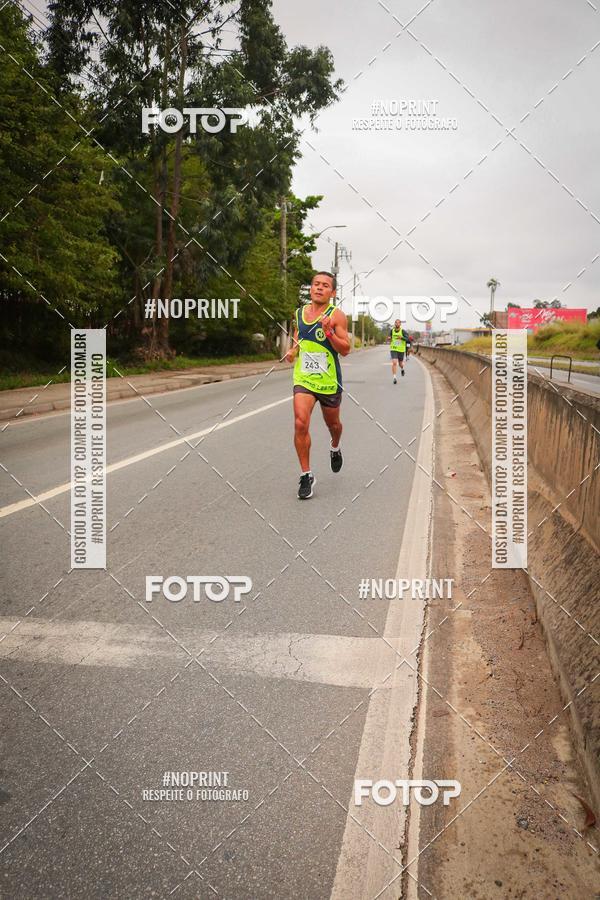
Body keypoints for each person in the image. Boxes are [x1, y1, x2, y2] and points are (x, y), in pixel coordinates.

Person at [286, 271, 351, 499]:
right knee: (300, 422)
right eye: (316, 284)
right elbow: (299, 336)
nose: (319, 288)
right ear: (311, 288)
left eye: (325, 285)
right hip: (303, 378)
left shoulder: (337, 316)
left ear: (332, 293)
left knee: (334, 425)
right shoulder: (300, 313)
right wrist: (293, 350)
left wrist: (329, 332)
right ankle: (306, 475)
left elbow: (345, 349)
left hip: (329, 381)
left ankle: (335, 446)